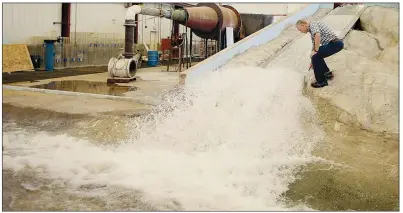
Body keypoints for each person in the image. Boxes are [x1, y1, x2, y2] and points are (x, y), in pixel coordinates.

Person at [296, 19, 344, 88]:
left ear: (303, 25)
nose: (301, 32)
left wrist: (315, 52)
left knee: (316, 56)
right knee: (315, 56)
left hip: (335, 44)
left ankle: (322, 82)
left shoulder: (312, 24)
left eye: (300, 29)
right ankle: (327, 74)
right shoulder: (311, 30)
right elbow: (314, 45)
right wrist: (312, 61)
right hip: (335, 44)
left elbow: (317, 35)